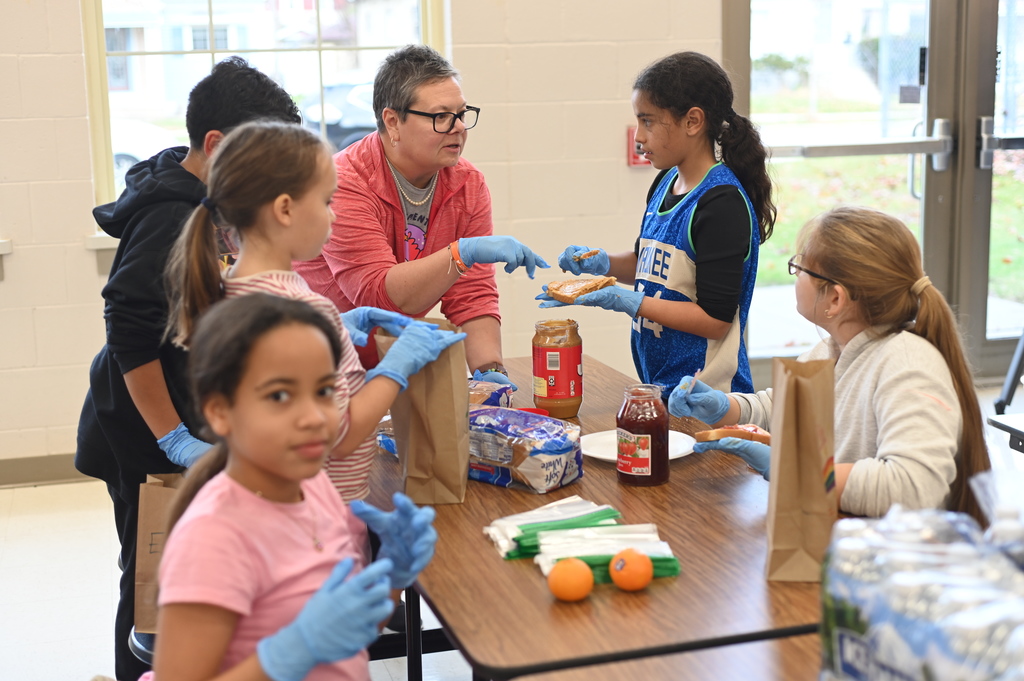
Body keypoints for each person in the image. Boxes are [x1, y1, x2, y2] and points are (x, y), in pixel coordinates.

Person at [75, 57, 303, 681]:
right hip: (141, 424)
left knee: (175, 571)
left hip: (177, 412)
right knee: (152, 580)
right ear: (216, 144)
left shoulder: (202, 194)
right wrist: (170, 436)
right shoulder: (171, 215)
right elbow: (128, 328)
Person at [165, 119, 464, 504]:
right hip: (323, 512)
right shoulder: (298, 310)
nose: (334, 216)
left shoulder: (232, 289)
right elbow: (339, 436)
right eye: (326, 201)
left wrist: (336, 326)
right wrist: (395, 369)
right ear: (285, 209)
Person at [144, 293, 437, 681]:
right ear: (220, 411)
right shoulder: (213, 538)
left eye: (324, 391)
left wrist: (390, 579)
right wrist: (292, 651)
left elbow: (349, 634)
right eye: (280, 396)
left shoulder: (316, 487)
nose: (314, 417)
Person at [668, 206, 992, 524]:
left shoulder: (908, 365)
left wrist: (799, 475)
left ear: (835, 299)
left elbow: (913, 488)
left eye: (800, 268)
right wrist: (725, 408)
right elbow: (782, 408)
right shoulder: (830, 349)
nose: (794, 277)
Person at [294, 44, 548, 388]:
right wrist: (460, 254)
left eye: (462, 114)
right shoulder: (344, 183)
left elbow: (471, 294)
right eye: (441, 117)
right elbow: (376, 294)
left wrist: (490, 371)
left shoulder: (466, 183)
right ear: (393, 121)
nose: (458, 127)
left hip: (396, 363)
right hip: (320, 372)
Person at [538, 51, 776, 394]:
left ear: (693, 121)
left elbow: (716, 321)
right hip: (661, 385)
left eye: (648, 121)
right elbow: (648, 267)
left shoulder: (721, 203)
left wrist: (627, 301)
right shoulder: (665, 181)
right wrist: (601, 264)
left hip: (706, 395)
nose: (638, 137)